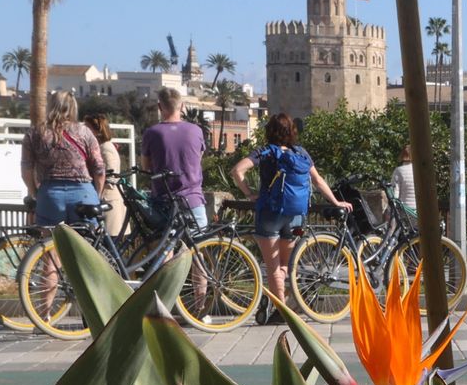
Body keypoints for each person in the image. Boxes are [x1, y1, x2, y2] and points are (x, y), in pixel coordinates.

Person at [231, 112, 350, 320]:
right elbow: (318, 181)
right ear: (292, 132)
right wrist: (336, 201)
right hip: (296, 215)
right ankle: (277, 302)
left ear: (270, 131)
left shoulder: (266, 151)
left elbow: (237, 170)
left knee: (273, 267)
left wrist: (249, 193)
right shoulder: (301, 153)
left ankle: (282, 311)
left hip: (270, 213)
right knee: (284, 265)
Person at [20, 90, 105, 225]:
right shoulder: (85, 132)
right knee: (86, 237)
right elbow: (99, 169)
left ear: (50, 106)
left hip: (50, 194)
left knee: (50, 237)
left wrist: (35, 192)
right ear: (73, 108)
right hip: (83, 194)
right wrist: (98, 195)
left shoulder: (34, 134)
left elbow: (26, 168)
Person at [139, 87, 207, 228]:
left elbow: (146, 167)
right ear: (182, 106)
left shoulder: (151, 133)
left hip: (163, 203)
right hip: (193, 201)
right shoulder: (196, 130)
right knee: (198, 239)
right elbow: (197, 160)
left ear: (160, 107)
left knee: (166, 240)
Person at [82, 113, 126, 238]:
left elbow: (112, 175)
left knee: (110, 240)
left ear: (97, 131)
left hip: (109, 200)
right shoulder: (100, 147)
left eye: (87, 128)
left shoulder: (106, 148)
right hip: (104, 198)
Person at [389, 145, 416, 216]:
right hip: (419, 211)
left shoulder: (398, 170)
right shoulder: (419, 170)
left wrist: (393, 210)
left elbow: (394, 192)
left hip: (405, 211)